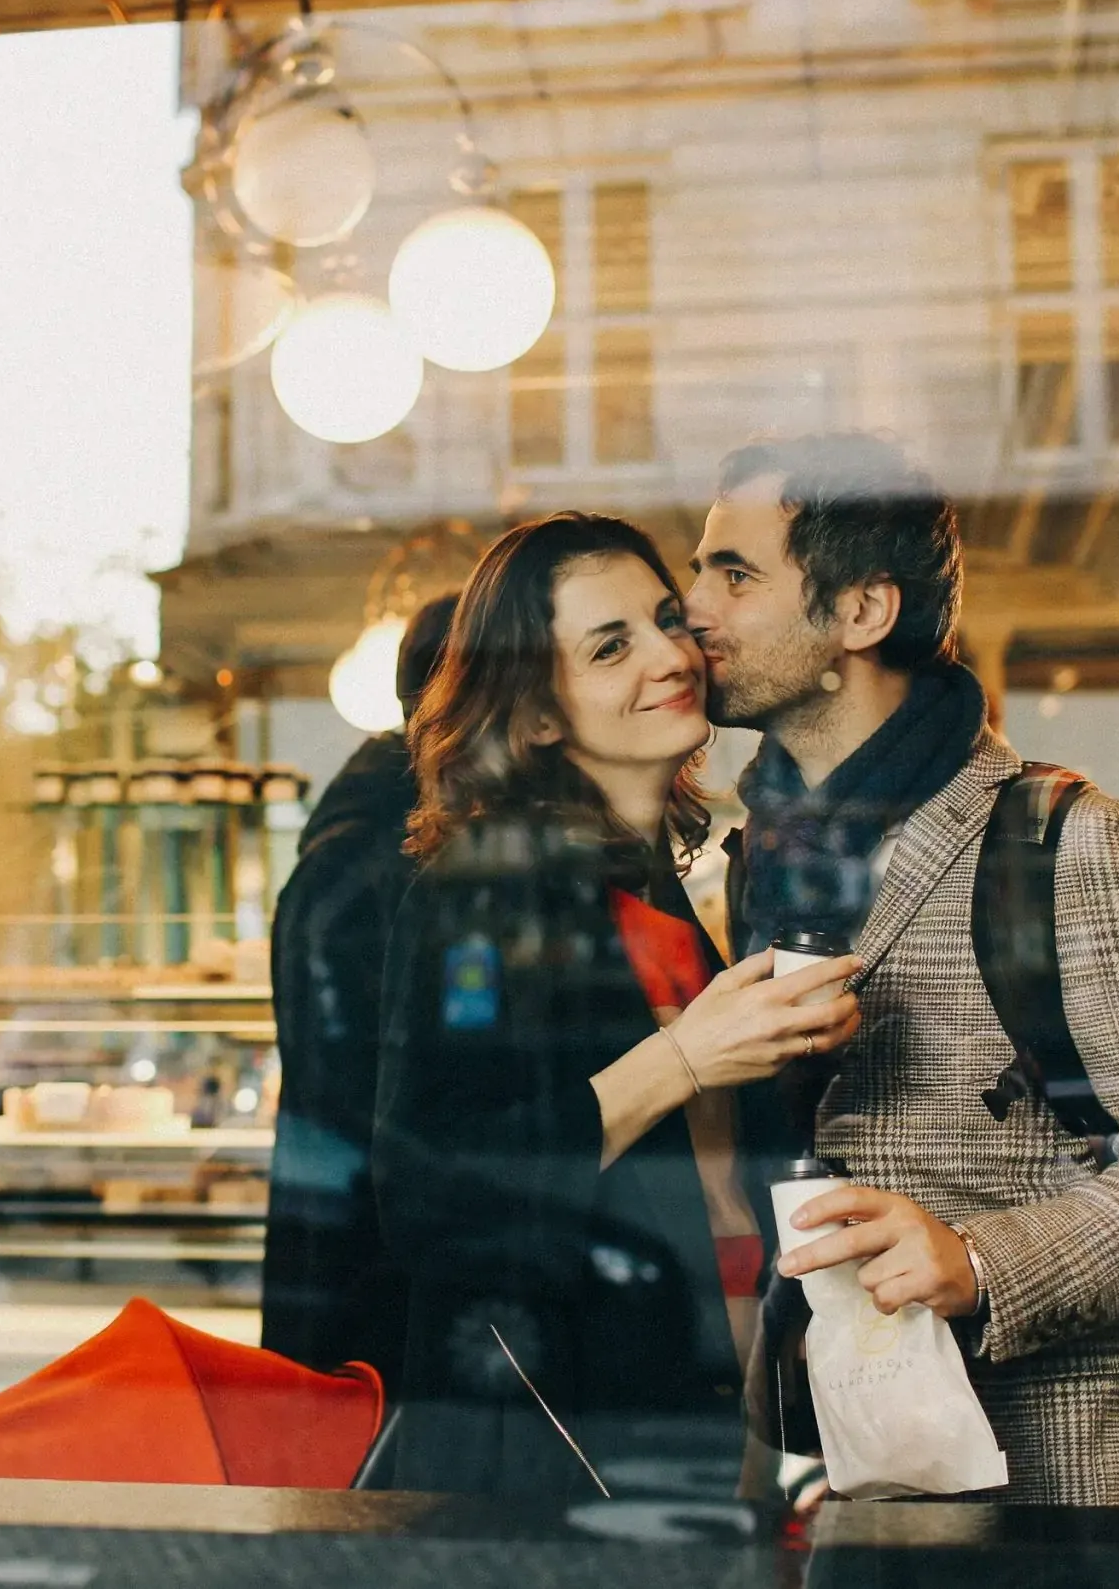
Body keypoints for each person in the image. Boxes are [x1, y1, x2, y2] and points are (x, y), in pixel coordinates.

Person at [685, 432, 1119, 1507]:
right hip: (848, 1466)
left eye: (734, 573)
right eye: (697, 570)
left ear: (861, 613)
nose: (694, 608)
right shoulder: (758, 857)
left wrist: (981, 1260)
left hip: (1068, 1477)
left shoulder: (1063, 840)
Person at [369, 512, 864, 1501]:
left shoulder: (661, 889)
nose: (667, 655)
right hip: (555, 1448)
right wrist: (684, 1059)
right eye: (609, 646)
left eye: (665, 619)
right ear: (540, 714)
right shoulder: (484, 892)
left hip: (702, 1416)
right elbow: (429, 1189)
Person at [261, 594, 458, 1378]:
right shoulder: (378, 854)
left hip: (362, 1263)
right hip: (373, 1283)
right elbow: (364, 1107)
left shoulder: (378, 839)